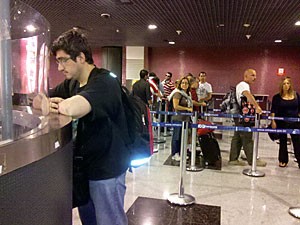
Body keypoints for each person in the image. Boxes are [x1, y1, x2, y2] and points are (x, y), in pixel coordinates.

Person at [34, 29, 129, 225]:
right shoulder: (72, 84)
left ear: (81, 57)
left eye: (63, 60)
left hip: (106, 171)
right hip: (85, 170)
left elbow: (75, 107)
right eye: (57, 61)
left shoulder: (105, 82)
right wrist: (43, 102)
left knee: (109, 221)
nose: (59, 67)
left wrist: (57, 105)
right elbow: (39, 98)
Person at [229, 69, 267, 167]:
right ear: (245, 76)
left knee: (237, 137)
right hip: (243, 117)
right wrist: (257, 106)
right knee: (247, 138)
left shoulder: (242, 85)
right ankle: (252, 160)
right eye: (252, 75)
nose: (255, 78)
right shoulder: (243, 85)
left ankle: (233, 159)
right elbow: (247, 95)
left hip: (239, 116)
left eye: (255, 75)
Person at [270, 77, 300, 168]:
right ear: (281, 85)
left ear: (290, 85)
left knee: (297, 142)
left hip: (295, 122)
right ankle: (283, 160)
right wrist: (273, 121)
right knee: (282, 142)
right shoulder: (277, 97)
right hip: (282, 122)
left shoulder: (296, 95)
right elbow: (273, 110)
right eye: (284, 84)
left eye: (288, 83)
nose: (286, 85)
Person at [168, 77, 193, 161]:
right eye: (183, 83)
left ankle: (181, 152)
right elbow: (176, 106)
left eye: (186, 83)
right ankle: (175, 153)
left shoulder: (188, 94)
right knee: (176, 137)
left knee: (183, 137)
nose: (184, 85)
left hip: (186, 118)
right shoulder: (177, 93)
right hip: (178, 118)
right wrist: (187, 109)